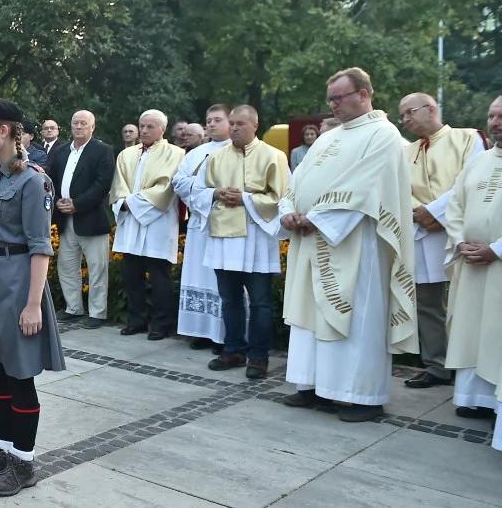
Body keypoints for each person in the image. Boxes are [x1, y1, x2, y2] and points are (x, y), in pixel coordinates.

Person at [280, 67, 417, 422]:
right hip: (312, 238)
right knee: (312, 315)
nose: (333, 105)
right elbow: (298, 180)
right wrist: (289, 211)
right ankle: (314, 387)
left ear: (364, 93)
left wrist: (318, 217)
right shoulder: (329, 137)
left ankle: (364, 396)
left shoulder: (383, 134)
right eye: (331, 99)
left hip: (357, 243)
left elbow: (365, 185)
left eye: (339, 98)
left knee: (358, 317)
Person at [0, 98, 64, 497]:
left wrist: (34, 303)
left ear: (4, 131)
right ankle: (3, 451)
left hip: (18, 284)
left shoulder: (32, 180)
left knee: (20, 377)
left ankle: (23, 461)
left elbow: (40, 247)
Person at [398, 92, 485, 388]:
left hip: (458, 231)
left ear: (430, 108)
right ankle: (436, 364)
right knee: (427, 301)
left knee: (464, 300)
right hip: (421, 233)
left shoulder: (467, 138)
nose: (405, 120)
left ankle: (468, 365)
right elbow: (397, 187)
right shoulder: (405, 151)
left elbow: (469, 181)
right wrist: (419, 213)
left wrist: (435, 212)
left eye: (409, 113)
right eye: (403, 116)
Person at [202, 106, 289, 379]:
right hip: (224, 237)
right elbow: (201, 191)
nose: (235, 128)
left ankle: (259, 356)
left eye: (241, 123)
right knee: (230, 299)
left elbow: (283, 197)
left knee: (261, 301)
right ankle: (233, 349)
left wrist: (246, 199)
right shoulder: (216, 157)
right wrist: (216, 193)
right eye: (233, 123)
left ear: (255, 125)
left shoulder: (274, 156)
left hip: (256, 238)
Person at [443, 95, 502, 448]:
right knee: (471, 330)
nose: (496, 123)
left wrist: (495, 249)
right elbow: (455, 204)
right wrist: (461, 240)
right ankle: (473, 399)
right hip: (471, 263)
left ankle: (497, 401)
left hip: (498, 266)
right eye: (492, 116)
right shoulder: (478, 162)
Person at [110, 109, 186, 339]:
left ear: (162, 129)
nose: (143, 130)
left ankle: (162, 324)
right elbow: (118, 183)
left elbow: (166, 187)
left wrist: (130, 203)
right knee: (132, 275)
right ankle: (137, 320)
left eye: (149, 126)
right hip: (130, 223)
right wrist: (122, 203)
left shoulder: (176, 153)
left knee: (159, 276)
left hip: (158, 222)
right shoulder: (127, 154)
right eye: (141, 125)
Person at [48, 110, 116, 329]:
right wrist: (58, 200)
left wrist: (77, 204)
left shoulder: (103, 150)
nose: (78, 127)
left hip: (92, 218)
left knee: (97, 268)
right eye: (75, 123)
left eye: (83, 123)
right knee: (66, 267)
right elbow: (52, 180)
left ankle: (97, 313)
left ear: (92, 127)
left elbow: (102, 184)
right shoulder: (60, 152)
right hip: (66, 220)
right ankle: (73, 308)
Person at [172, 104, 231, 349]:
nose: (212, 124)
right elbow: (179, 181)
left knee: (222, 282)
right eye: (209, 120)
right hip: (199, 223)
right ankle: (200, 332)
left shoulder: (237, 151)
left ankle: (224, 335)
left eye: (218, 119)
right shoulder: (197, 153)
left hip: (226, 225)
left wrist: (206, 189)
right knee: (199, 277)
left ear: (231, 122)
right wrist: (207, 190)